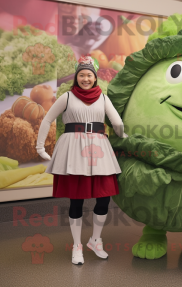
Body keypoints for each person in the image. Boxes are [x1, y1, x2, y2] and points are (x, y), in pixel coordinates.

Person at [36, 55, 127, 265]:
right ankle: (77, 245)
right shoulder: (67, 97)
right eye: (82, 75)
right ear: (76, 77)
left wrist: (124, 137)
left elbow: (117, 122)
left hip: (99, 151)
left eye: (89, 75)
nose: (86, 79)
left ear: (95, 78)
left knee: (103, 198)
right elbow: (48, 119)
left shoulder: (103, 98)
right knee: (76, 199)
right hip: (73, 150)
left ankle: (96, 240)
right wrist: (40, 146)